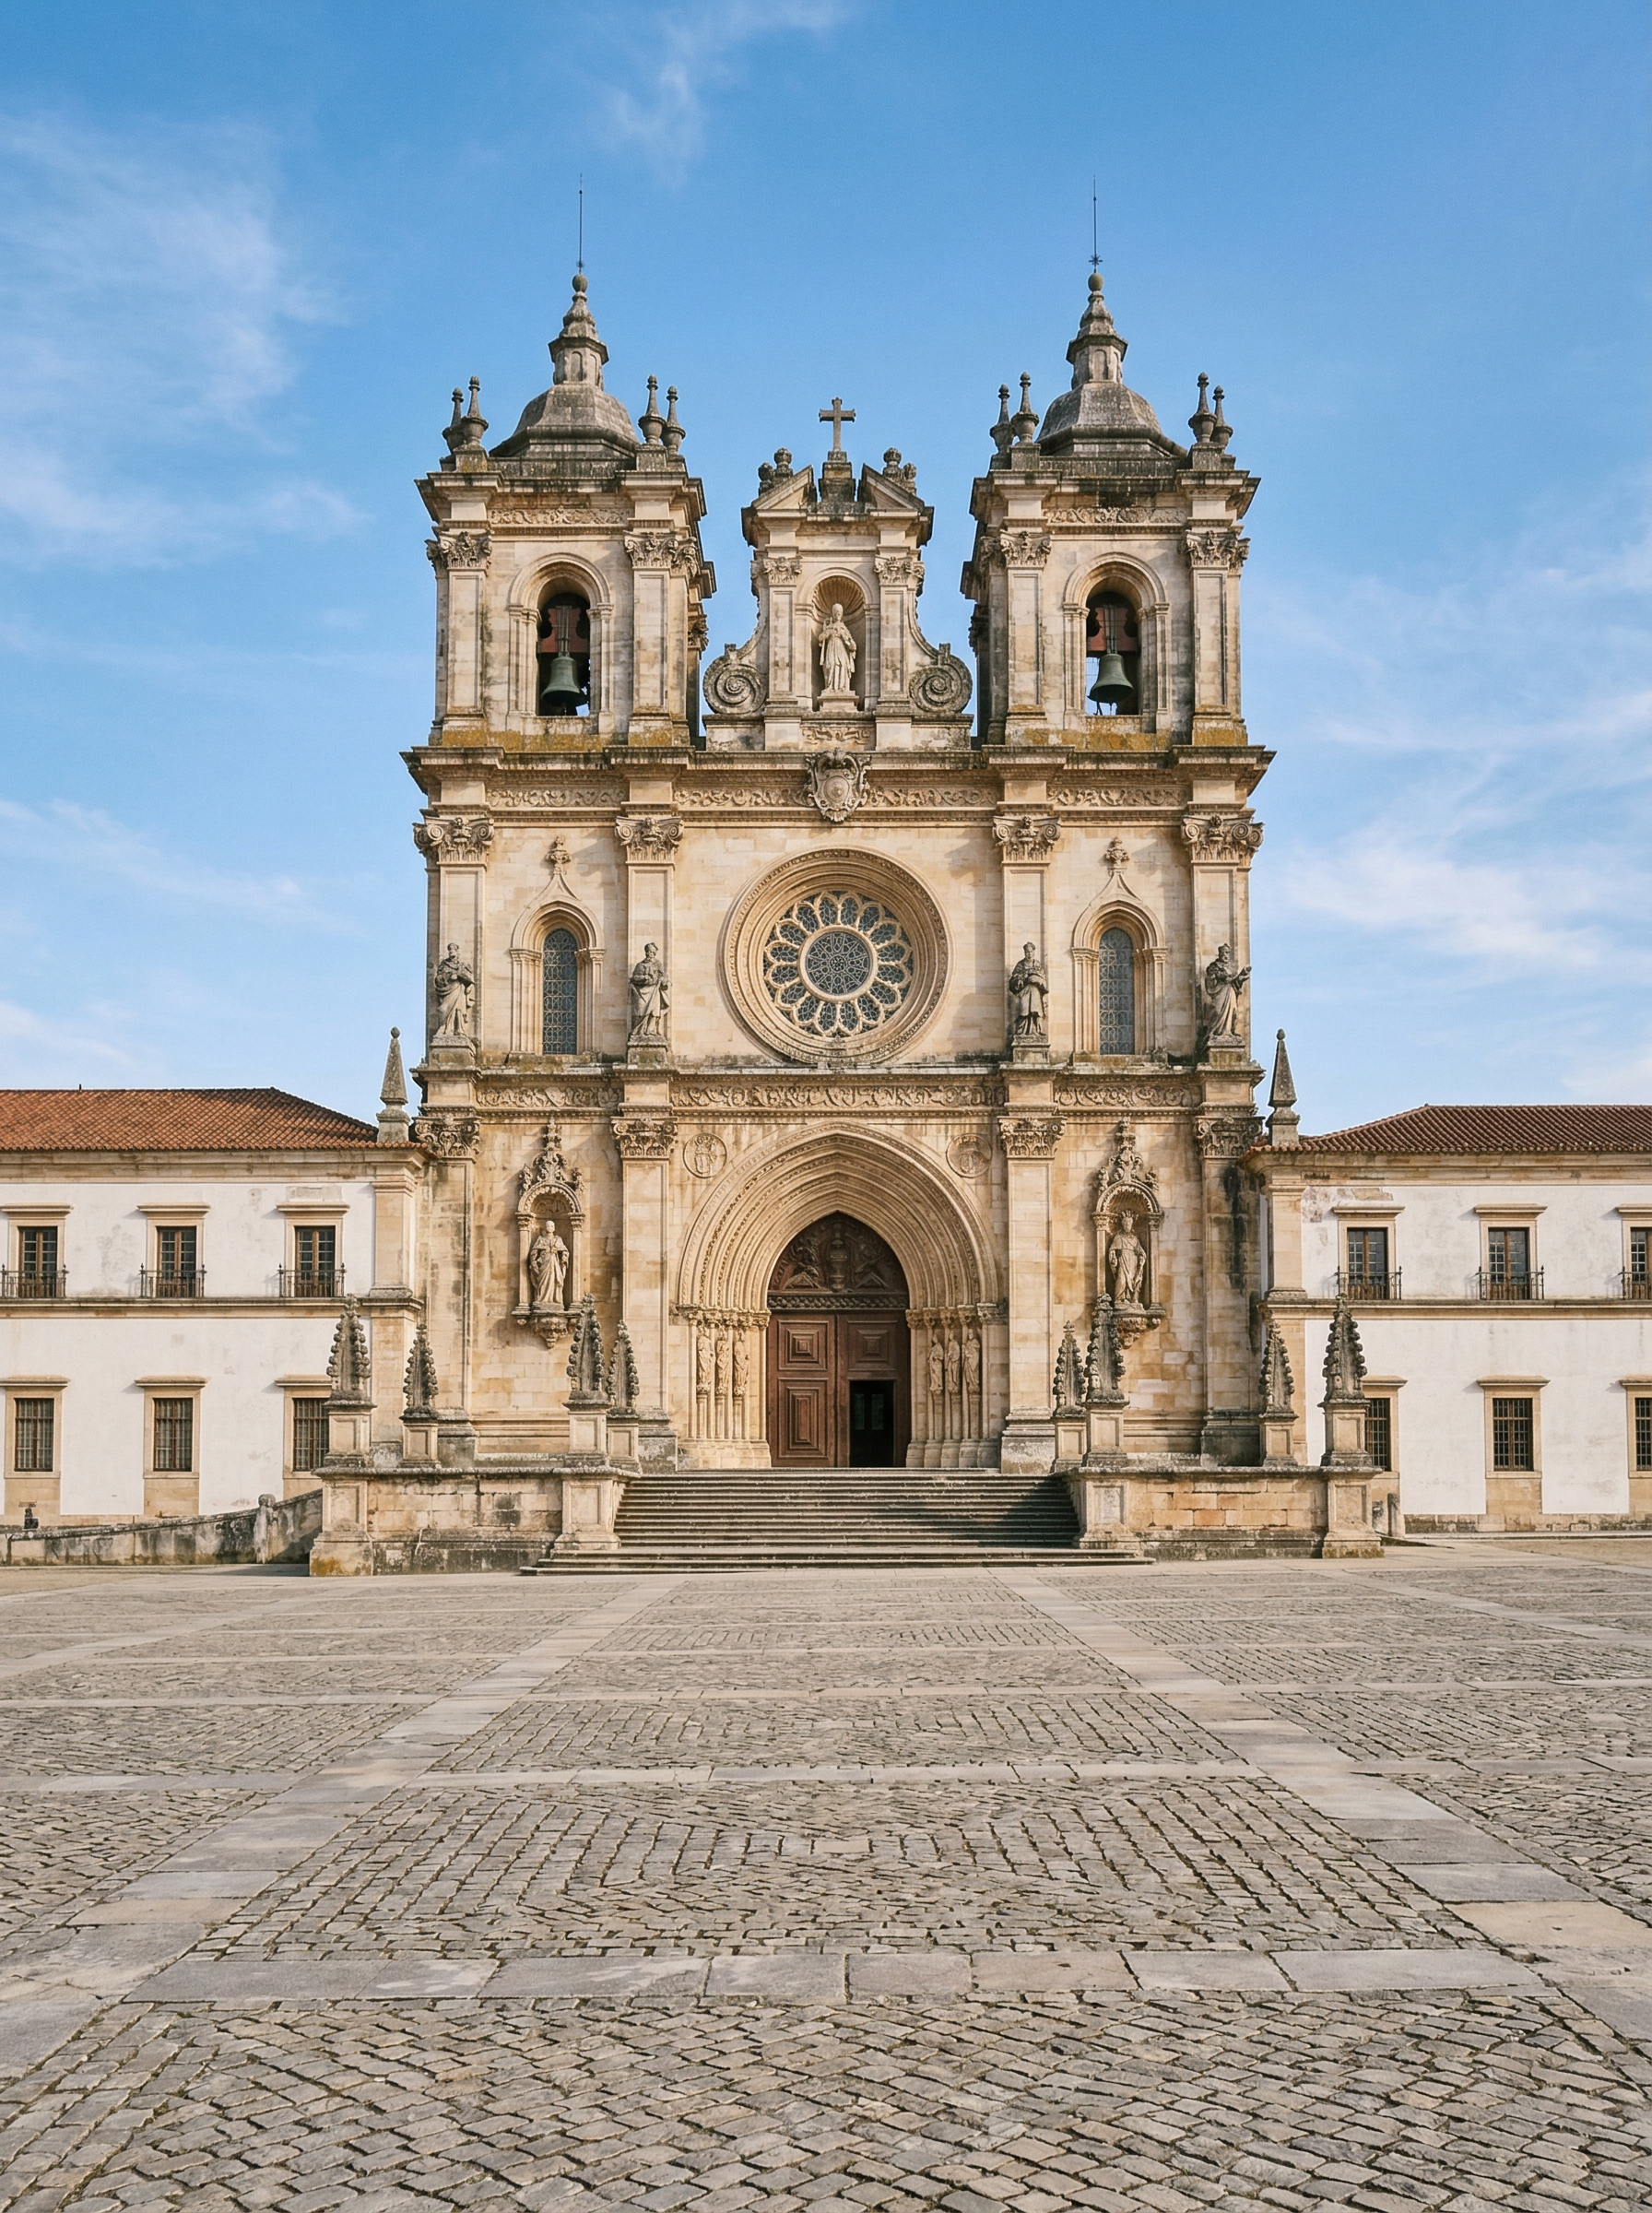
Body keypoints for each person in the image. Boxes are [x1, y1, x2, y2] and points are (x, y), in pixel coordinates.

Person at [628, 942, 669, 1043]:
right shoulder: (640, 965)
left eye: (653, 952)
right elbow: (634, 978)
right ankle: (639, 1032)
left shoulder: (658, 964)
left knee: (654, 1012)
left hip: (655, 990)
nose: (651, 954)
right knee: (641, 1012)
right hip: (642, 992)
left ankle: (650, 1031)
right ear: (646, 952)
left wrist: (664, 981)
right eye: (649, 952)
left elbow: (664, 976)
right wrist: (644, 978)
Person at [433, 943, 475, 1040]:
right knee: (443, 1009)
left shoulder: (462, 965)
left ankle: (458, 1029)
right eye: (450, 949)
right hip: (448, 991)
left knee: (458, 1010)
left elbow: (470, 979)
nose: (451, 951)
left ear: (457, 951)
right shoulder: (444, 965)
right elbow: (438, 979)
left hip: (459, 990)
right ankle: (445, 1028)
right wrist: (448, 977)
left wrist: (469, 986)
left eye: (453, 949)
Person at [1009, 943, 1048, 1040]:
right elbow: (1013, 979)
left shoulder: (1037, 964)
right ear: (1024, 952)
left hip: (1035, 991)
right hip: (1024, 992)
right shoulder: (1020, 965)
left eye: (1031, 951)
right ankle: (1022, 1031)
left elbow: (1043, 978)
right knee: (1024, 1010)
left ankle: (1037, 1030)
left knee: (1036, 1011)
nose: (1029, 954)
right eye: (1027, 952)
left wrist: (1037, 979)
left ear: (1034, 952)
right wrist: (1021, 978)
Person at [1108, 1213, 1148, 1308]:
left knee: (1133, 1280)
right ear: (1122, 1225)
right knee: (1122, 1279)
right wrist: (1113, 1257)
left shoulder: (1135, 1239)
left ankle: (1131, 1298)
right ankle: (1120, 1299)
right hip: (1123, 1260)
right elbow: (1112, 1249)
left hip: (1133, 1262)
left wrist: (1142, 1257)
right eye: (1125, 1224)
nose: (1127, 1226)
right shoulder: (1118, 1237)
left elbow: (1141, 1251)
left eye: (1129, 1224)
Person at [526, 1222, 568, 1310]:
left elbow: (565, 1251)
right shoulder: (541, 1239)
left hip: (554, 1263)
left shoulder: (558, 1239)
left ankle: (555, 1299)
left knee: (555, 1279)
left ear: (554, 1228)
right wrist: (534, 1261)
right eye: (548, 1226)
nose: (550, 1227)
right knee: (542, 1281)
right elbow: (534, 1251)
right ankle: (541, 1299)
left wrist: (559, 1252)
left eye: (552, 1226)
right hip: (544, 1263)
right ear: (545, 1228)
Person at [819, 601, 856, 695]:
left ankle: (842, 688)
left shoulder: (844, 628)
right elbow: (820, 638)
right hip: (831, 648)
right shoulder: (829, 627)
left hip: (841, 649)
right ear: (833, 614)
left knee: (842, 664)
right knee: (831, 665)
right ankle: (830, 687)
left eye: (839, 612)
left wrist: (848, 641)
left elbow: (852, 644)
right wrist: (827, 631)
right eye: (836, 612)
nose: (838, 614)